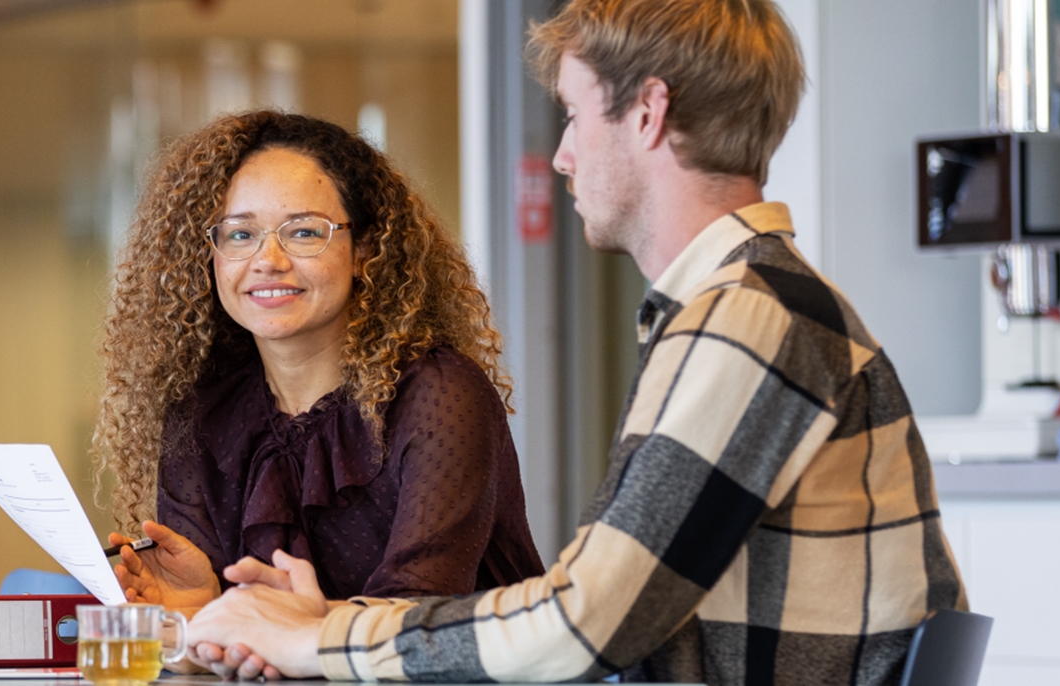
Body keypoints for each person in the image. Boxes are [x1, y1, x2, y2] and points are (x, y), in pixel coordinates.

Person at [182, 1, 967, 683]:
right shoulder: (750, 309)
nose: (560, 154)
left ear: (648, 113)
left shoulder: (750, 323)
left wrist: (323, 635)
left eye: (573, 114)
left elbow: (584, 623)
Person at [93, 111, 547, 617]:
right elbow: (232, 638)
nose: (268, 259)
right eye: (240, 235)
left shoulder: (440, 397)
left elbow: (417, 616)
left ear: (366, 250)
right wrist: (205, 609)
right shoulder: (203, 413)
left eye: (305, 233)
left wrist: (299, 626)